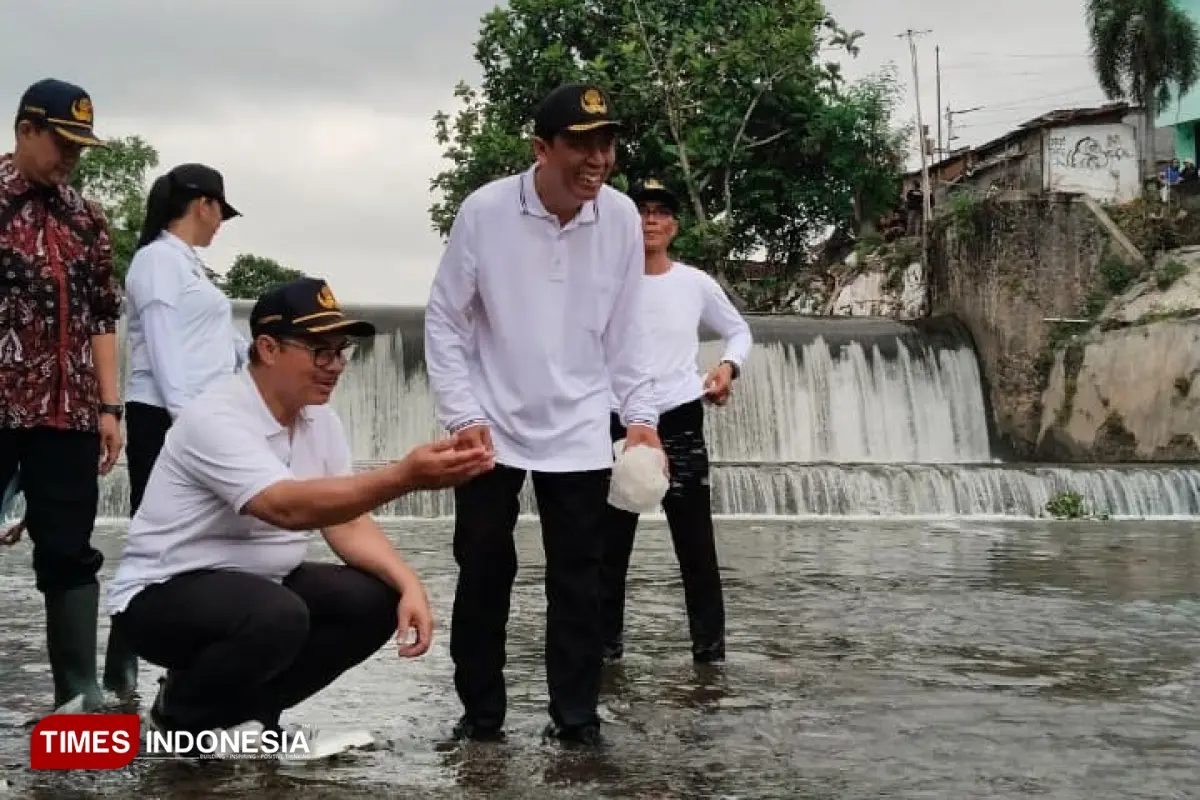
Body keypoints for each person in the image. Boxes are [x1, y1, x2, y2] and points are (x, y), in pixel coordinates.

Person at [106, 277, 495, 744]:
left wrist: (410, 584)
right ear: (268, 349)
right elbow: (282, 507)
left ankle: (248, 714)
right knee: (278, 616)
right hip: (163, 595)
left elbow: (346, 518)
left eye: (340, 351)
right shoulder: (216, 417)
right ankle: (181, 718)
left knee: (372, 600)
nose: (335, 366)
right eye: (320, 352)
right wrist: (404, 477)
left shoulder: (319, 419)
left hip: (259, 590)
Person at [425, 83, 663, 745]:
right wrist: (461, 414)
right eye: (581, 145)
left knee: (580, 583)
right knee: (482, 571)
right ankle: (481, 717)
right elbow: (446, 321)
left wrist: (639, 417)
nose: (598, 158)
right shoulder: (486, 212)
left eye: (607, 143)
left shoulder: (618, 218)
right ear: (540, 148)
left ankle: (576, 720)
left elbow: (626, 327)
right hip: (489, 424)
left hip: (580, 427)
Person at [0, 78, 128, 711]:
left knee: (70, 552)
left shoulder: (87, 217)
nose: (72, 156)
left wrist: (109, 408)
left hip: (69, 414)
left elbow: (102, 317)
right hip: (1, 407)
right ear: (25, 130)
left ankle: (78, 695)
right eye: (62, 142)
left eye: (81, 145)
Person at [600, 179, 752, 666]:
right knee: (609, 549)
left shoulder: (695, 283)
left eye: (661, 212)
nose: (650, 220)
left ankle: (710, 658)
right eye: (641, 210)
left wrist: (727, 367)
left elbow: (739, 330)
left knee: (696, 548)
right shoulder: (607, 282)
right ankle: (606, 657)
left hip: (681, 416)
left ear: (674, 226)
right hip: (618, 419)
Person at [124, 163, 245, 514]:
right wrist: (185, 419)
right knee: (161, 523)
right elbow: (162, 341)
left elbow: (220, 338)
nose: (221, 223)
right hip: (165, 412)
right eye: (221, 211)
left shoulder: (188, 265)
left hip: (196, 412)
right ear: (202, 205)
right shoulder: (158, 260)